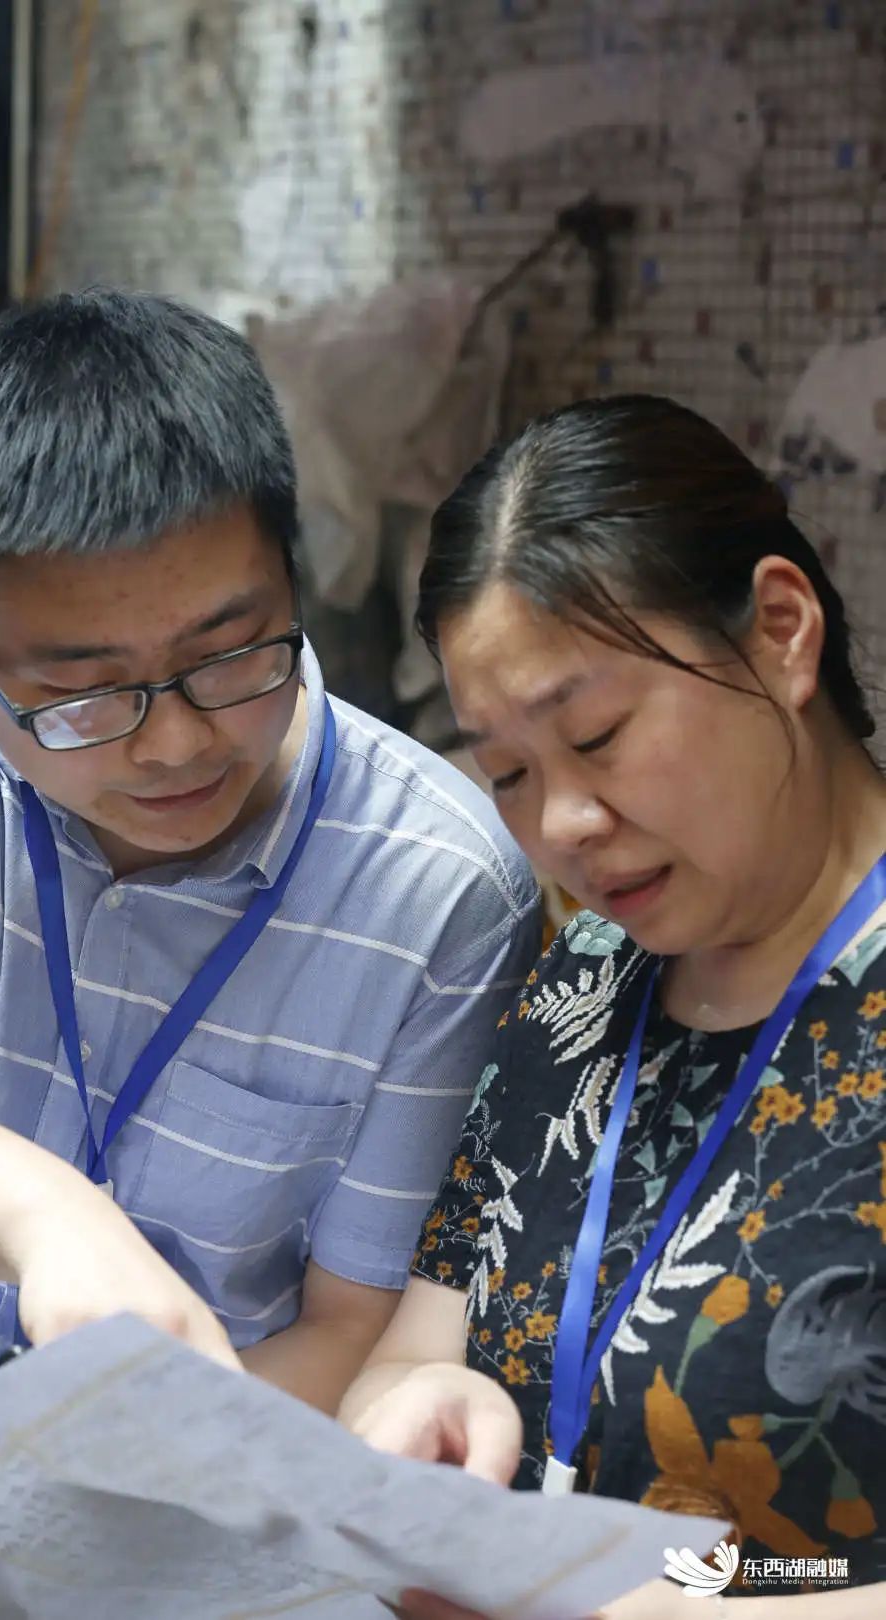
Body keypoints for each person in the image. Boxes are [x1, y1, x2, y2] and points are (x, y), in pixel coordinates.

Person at [0, 288, 541, 1412]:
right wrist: (49, 1218)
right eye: (85, 693)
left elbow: (357, 1331)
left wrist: (58, 1483)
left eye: (231, 655)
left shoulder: (439, 886)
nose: (176, 745)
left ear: (291, 572)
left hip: (177, 1491)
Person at [341, 394, 886, 1616]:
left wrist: (699, 1612)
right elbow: (415, 1346)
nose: (564, 825)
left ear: (782, 632)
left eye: (598, 736)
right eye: (509, 773)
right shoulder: (585, 979)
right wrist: (415, 1419)